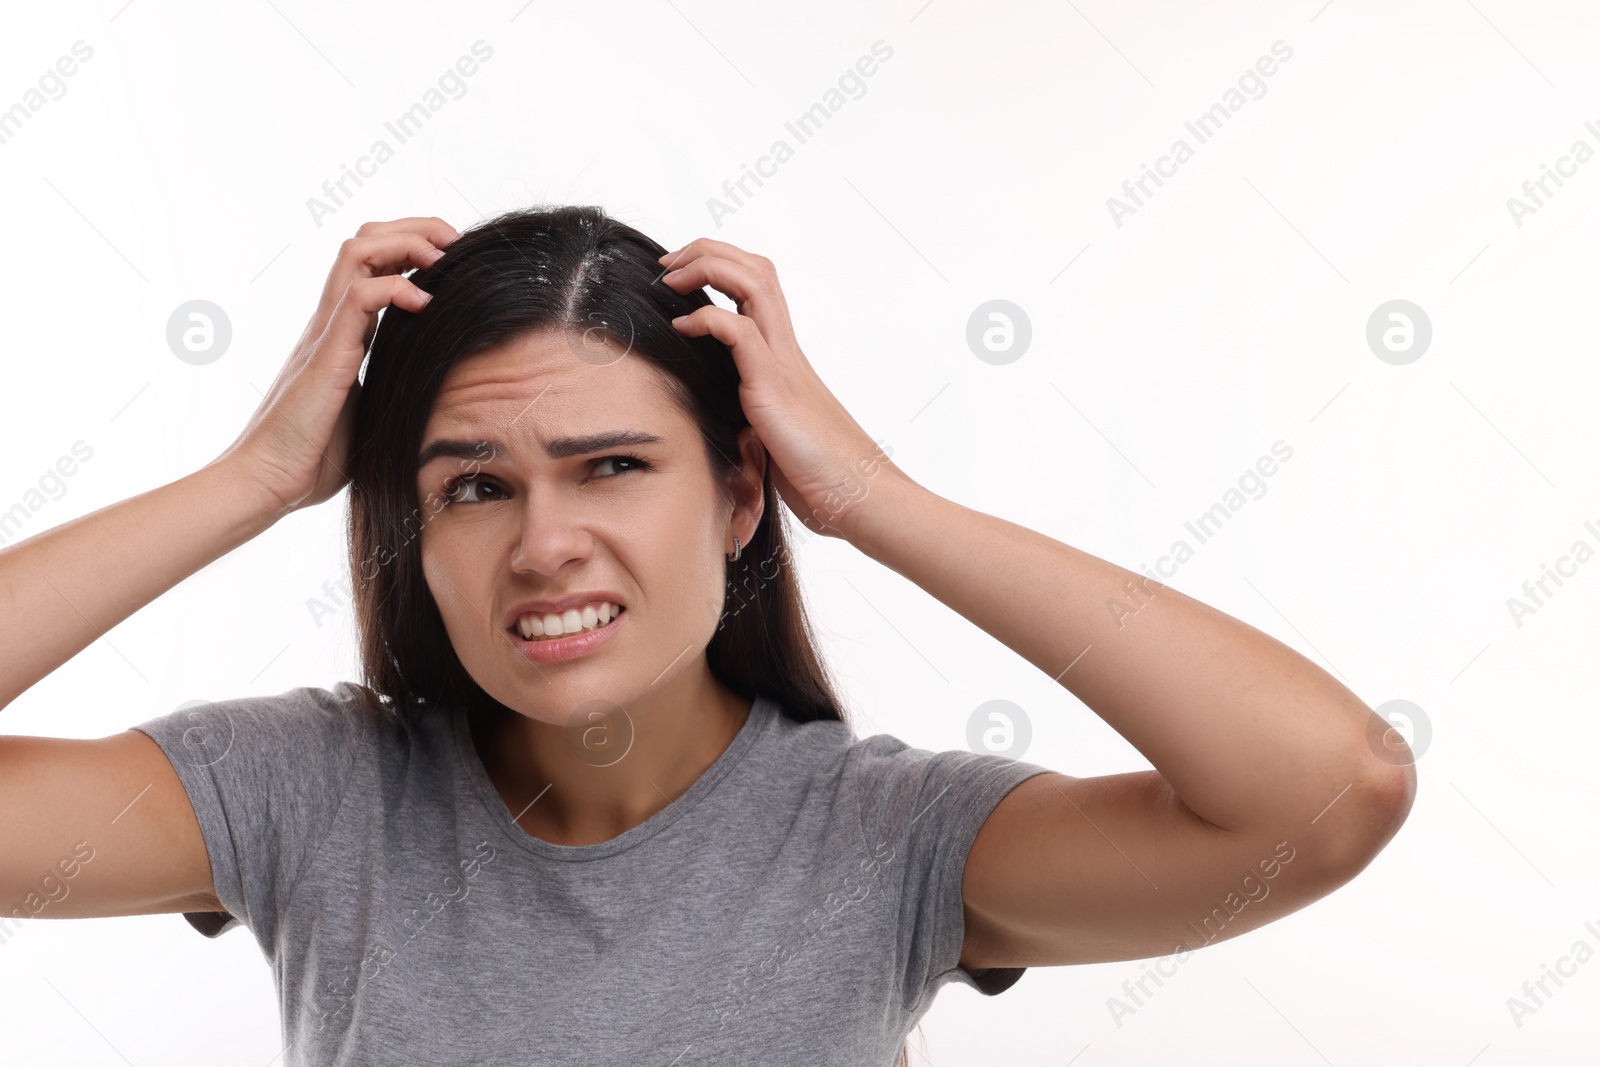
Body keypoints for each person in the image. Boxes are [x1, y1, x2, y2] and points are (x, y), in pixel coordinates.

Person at [0, 206, 1416, 1065]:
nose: (544, 541)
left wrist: (875, 500)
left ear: (742, 493)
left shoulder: (883, 839)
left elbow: (1331, 789)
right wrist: (249, 480)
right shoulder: (315, 794)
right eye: (473, 486)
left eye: (612, 465)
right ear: (410, 532)